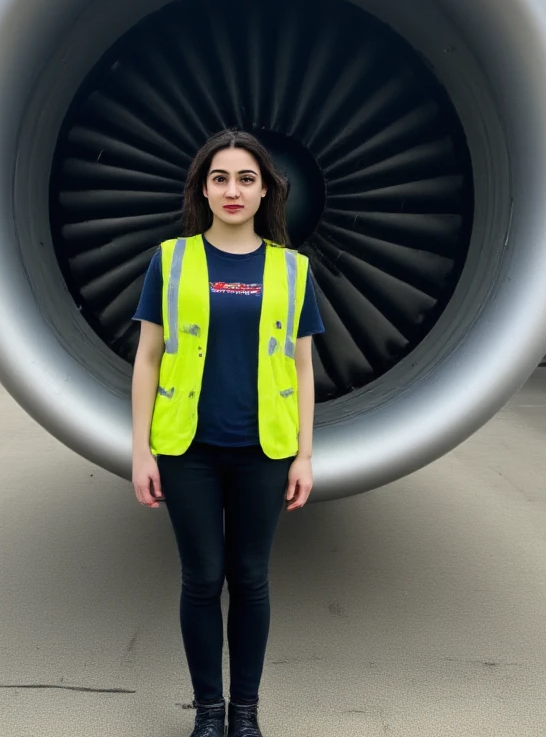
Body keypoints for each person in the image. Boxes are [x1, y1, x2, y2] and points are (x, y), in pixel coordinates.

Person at [131, 128, 324, 737]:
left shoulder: (293, 270)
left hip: (264, 449)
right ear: (204, 190)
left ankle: (246, 713)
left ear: (266, 189)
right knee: (201, 579)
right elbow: (148, 358)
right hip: (186, 449)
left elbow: (301, 365)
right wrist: (141, 451)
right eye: (220, 179)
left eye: (246, 178)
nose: (233, 190)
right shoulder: (171, 259)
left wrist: (304, 456)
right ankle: (208, 713)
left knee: (250, 579)